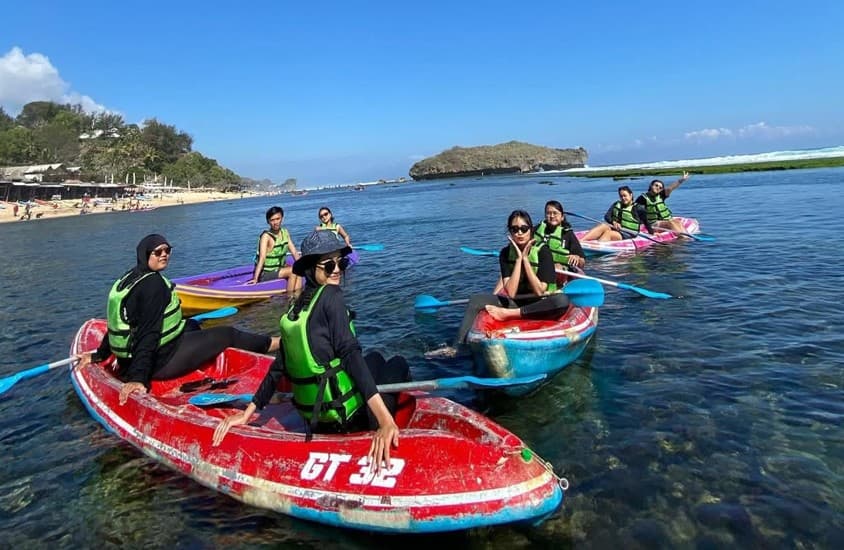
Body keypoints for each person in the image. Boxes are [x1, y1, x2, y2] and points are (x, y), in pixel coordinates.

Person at [213, 231, 409, 471]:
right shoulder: (331, 296)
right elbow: (350, 354)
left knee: (376, 358)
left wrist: (248, 412)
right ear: (311, 268)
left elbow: (278, 368)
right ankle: (395, 425)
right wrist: (384, 421)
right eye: (328, 265)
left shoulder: (296, 311)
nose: (336, 270)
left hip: (316, 419)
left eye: (341, 262)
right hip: (348, 418)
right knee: (397, 362)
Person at [76, 234, 280, 405]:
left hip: (130, 360)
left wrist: (99, 355)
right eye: (158, 252)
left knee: (191, 324)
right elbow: (149, 333)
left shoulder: (130, 278)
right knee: (227, 334)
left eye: (167, 250)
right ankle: (273, 343)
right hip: (161, 362)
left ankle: (204, 337)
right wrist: (138, 378)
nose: (164, 255)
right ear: (146, 254)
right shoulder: (154, 286)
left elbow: (117, 325)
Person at [428, 210, 571, 359]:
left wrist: (526, 261)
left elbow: (539, 291)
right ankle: (456, 347)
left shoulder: (543, 252)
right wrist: (518, 260)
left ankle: (509, 314)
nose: (519, 233)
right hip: (516, 301)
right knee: (476, 300)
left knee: (562, 300)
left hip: (540, 303)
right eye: (514, 229)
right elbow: (511, 292)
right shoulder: (505, 254)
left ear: (531, 230)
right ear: (509, 231)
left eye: (524, 228)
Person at [249, 206, 301, 289]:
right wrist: (255, 278)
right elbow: (262, 258)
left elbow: (294, 252)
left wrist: (304, 266)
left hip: (278, 269)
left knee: (299, 269)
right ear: (268, 222)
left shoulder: (285, 232)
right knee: (293, 271)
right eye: (272, 220)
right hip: (266, 273)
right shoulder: (266, 236)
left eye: (277, 219)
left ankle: (298, 295)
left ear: (282, 218)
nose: (275, 222)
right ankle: (290, 298)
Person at [580, 186, 653, 241]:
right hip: (616, 229)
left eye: (625, 196)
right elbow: (607, 216)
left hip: (628, 233)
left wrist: (652, 234)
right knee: (603, 225)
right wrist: (613, 222)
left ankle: (599, 246)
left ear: (631, 195)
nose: (623, 198)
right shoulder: (616, 204)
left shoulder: (638, 208)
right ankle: (581, 241)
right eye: (621, 196)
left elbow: (646, 222)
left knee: (608, 233)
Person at [534, 200, 586, 270]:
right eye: (548, 213)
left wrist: (577, 258)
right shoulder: (537, 229)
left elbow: (582, 262)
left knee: (557, 267)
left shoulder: (568, 234)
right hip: (539, 268)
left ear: (562, 217)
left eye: (555, 213)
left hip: (561, 272)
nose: (552, 216)